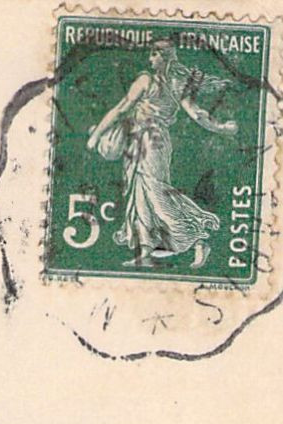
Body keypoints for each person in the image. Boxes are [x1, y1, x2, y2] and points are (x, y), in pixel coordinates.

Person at [86, 40, 237, 269]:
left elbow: (121, 109)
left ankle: (196, 238)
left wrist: (96, 136)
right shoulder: (176, 82)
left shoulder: (149, 80)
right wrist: (221, 127)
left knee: (156, 192)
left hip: (150, 140)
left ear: (165, 56)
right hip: (143, 140)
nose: (150, 59)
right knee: (140, 195)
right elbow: (197, 114)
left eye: (154, 55)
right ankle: (145, 252)